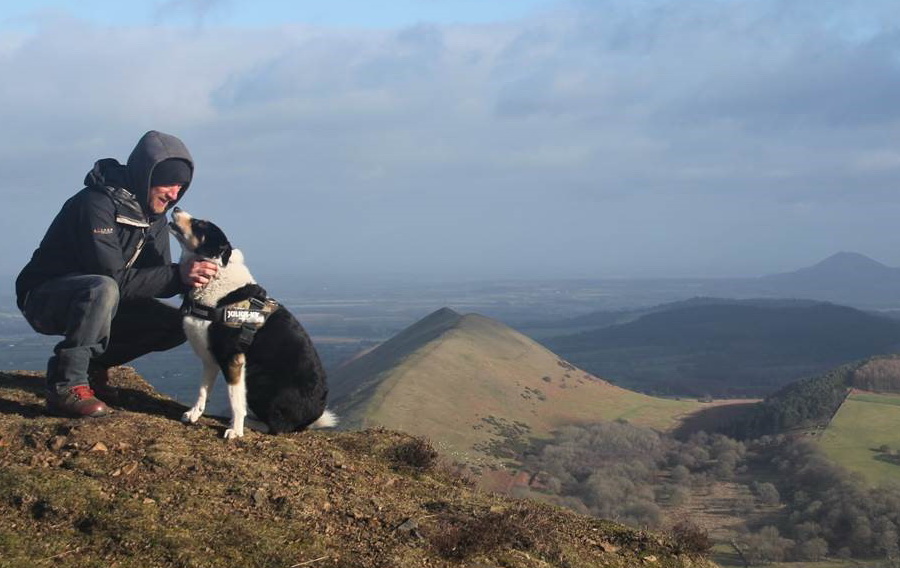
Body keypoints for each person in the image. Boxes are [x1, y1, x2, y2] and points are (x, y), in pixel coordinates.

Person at [15, 130, 219, 418]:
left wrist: (206, 288)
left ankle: (90, 369)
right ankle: (66, 386)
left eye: (181, 186)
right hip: (44, 298)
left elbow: (157, 278)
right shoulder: (95, 204)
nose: (175, 194)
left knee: (178, 325)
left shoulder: (154, 216)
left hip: (101, 298)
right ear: (147, 175)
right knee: (103, 287)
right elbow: (113, 277)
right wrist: (178, 275)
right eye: (169, 183)